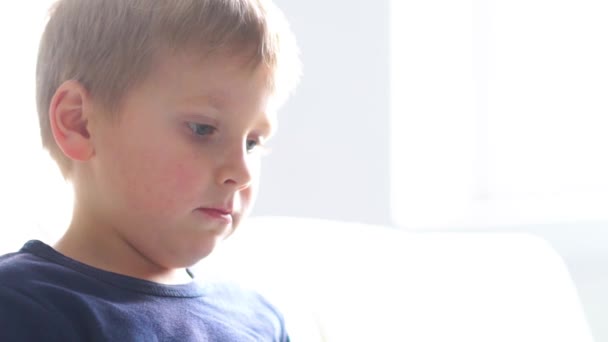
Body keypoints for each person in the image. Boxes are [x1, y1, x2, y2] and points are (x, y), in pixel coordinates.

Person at [0, 0, 301, 340]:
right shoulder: (21, 305)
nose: (242, 172)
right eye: (203, 129)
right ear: (80, 123)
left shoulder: (261, 321)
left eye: (252, 142)